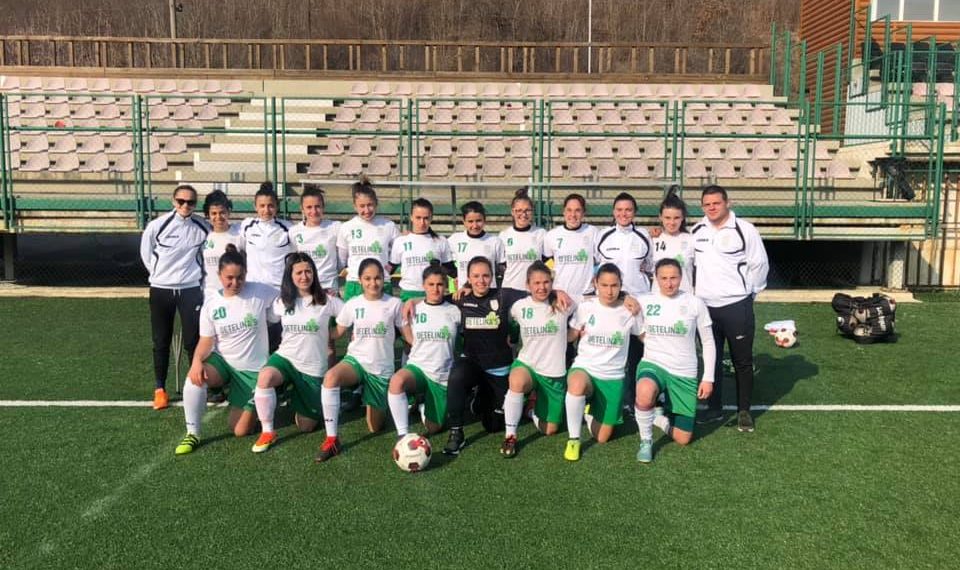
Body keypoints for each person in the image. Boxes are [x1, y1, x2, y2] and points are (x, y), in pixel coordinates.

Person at [174, 245, 276, 455]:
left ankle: (258, 400)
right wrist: (197, 361)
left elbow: (290, 298)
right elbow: (206, 340)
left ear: (246, 274)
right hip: (222, 363)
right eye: (229, 278)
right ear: (219, 275)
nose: (235, 283)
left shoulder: (261, 291)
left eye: (240, 277)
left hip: (252, 372)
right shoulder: (211, 302)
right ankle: (192, 433)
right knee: (194, 378)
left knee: (239, 430)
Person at [691, 185, 769, 432]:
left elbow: (760, 264)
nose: (712, 208)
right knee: (711, 359)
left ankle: (744, 411)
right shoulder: (696, 230)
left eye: (716, 203)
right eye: (707, 204)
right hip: (705, 308)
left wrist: (750, 293)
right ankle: (714, 408)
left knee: (742, 360)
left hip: (736, 306)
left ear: (727, 203)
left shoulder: (745, 229)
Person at [250, 252, 344, 453]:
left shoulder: (327, 300)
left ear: (314, 273)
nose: (304, 276)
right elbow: (266, 319)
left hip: (313, 368)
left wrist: (334, 333)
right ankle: (267, 432)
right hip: (286, 358)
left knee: (306, 426)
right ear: (290, 276)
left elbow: (350, 315)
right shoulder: (282, 302)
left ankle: (294, 393)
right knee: (265, 377)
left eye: (308, 271)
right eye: (299, 272)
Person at [316, 258, 403, 462]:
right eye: (368, 278)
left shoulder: (394, 304)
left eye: (377, 278)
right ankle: (332, 439)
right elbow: (337, 333)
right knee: (331, 378)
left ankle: (368, 392)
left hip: (380, 370)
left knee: (375, 427)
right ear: (360, 280)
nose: (373, 283)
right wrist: (314, 328)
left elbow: (407, 335)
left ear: (384, 279)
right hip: (356, 361)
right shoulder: (353, 304)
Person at [634, 258, 717, 462]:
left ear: (681, 278)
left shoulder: (695, 303)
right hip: (654, 363)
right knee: (644, 390)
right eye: (663, 278)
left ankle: (659, 419)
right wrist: (625, 298)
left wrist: (708, 378)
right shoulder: (644, 301)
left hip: (684, 370)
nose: (669, 283)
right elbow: (614, 300)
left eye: (673, 278)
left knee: (683, 438)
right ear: (655, 278)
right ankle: (646, 441)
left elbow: (708, 342)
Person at [563, 264, 643, 461]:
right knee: (577, 384)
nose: (609, 291)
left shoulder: (630, 310)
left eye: (614, 285)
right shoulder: (586, 307)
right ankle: (573, 439)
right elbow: (571, 335)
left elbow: (643, 337)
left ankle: (588, 409)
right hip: (586, 368)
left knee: (602, 437)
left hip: (613, 377)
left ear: (621, 286)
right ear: (595, 284)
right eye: (604, 285)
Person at [139, 184, 209, 411]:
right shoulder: (157, 225)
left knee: (193, 341)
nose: (185, 205)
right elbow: (146, 253)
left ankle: (195, 385)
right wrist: (159, 276)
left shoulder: (203, 227)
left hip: (190, 289)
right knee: (161, 340)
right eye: (181, 201)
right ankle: (160, 389)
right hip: (161, 289)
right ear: (173, 201)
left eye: (190, 202)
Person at [440, 256, 517, 456]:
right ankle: (456, 432)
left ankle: (480, 396)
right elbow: (434, 300)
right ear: (468, 278)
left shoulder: (503, 295)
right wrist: (411, 302)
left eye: (485, 276)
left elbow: (535, 292)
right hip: (472, 362)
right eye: (476, 276)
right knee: (457, 376)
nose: (481, 281)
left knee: (493, 426)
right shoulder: (461, 298)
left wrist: (557, 292)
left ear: (492, 276)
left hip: (498, 367)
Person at [500, 261, 575, 458]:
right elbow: (510, 326)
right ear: (528, 285)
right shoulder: (519, 307)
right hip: (528, 365)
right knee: (517, 381)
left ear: (552, 283)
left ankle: (531, 409)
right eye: (536, 283)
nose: (542, 287)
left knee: (549, 429)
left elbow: (593, 303)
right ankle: (510, 435)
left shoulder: (563, 303)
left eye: (546, 282)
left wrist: (625, 297)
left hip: (553, 372)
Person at [387, 261, 461, 438]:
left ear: (445, 286)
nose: (435, 289)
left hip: (441, 375)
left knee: (434, 428)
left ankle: (422, 404)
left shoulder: (454, 311)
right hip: (418, 367)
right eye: (431, 284)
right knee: (396, 381)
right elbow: (403, 327)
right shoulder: (414, 309)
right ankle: (403, 435)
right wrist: (412, 341)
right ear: (423, 286)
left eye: (440, 284)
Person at [595, 192, 653, 409]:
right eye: (619, 210)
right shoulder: (602, 235)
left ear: (634, 212)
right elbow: (598, 267)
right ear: (613, 212)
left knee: (638, 354)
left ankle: (636, 399)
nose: (623, 214)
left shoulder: (644, 236)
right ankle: (609, 399)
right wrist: (619, 295)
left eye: (628, 210)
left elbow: (649, 267)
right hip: (614, 303)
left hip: (639, 304)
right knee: (614, 352)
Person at [336, 178, 399, 301]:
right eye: (362, 206)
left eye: (370, 205)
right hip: (355, 284)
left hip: (381, 283)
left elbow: (399, 251)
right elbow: (341, 260)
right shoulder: (346, 227)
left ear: (376, 204)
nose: (366, 210)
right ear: (355, 206)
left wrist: (390, 268)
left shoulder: (389, 226)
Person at [389, 198, 453, 302]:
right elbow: (391, 267)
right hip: (409, 293)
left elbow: (450, 269)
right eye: (418, 218)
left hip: (433, 293)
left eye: (426, 218)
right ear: (411, 217)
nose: (422, 222)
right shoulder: (400, 241)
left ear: (431, 218)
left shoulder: (440, 241)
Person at [288, 185, 341, 297]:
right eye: (309, 207)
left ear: (323, 207)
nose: (314, 211)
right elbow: (294, 261)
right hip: (306, 286)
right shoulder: (294, 231)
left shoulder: (335, 227)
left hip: (329, 286)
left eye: (317, 206)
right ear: (302, 209)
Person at [544, 193, 598, 302]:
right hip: (561, 295)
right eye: (569, 210)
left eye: (577, 210)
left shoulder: (593, 232)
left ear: (583, 212)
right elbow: (546, 261)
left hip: (586, 295)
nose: (573, 215)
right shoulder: (552, 235)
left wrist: (596, 274)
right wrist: (555, 271)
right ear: (563, 211)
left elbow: (601, 260)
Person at [240, 181, 293, 291]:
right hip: (253, 288)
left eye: (270, 206)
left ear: (277, 206)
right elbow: (240, 250)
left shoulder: (288, 228)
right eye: (262, 206)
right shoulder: (246, 226)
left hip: (279, 288)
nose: (266, 210)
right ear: (255, 207)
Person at [498, 188, 546, 305]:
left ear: (532, 211)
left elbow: (548, 261)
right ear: (512, 212)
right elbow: (501, 265)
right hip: (509, 289)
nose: (523, 214)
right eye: (519, 210)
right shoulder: (504, 235)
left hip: (534, 290)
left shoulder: (541, 234)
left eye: (527, 210)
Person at [447, 201, 504, 291]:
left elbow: (502, 268)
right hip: (464, 293)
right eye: (470, 221)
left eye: (478, 221)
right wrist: (457, 276)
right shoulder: (454, 240)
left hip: (489, 293)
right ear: (464, 222)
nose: (475, 225)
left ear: (484, 220)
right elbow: (445, 264)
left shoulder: (495, 241)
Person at [652, 187, 695, 294]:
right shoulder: (652, 240)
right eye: (667, 218)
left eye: (676, 218)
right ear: (660, 217)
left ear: (682, 217)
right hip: (658, 298)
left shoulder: (691, 240)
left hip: (684, 298)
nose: (672, 222)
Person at [200, 190, 244, 294]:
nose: (218, 217)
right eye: (214, 213)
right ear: (208, 214)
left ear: (229, 212)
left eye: (222, 212)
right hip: (209, 292)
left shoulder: (239, 233)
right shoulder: (203, 234)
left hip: (234, 292)